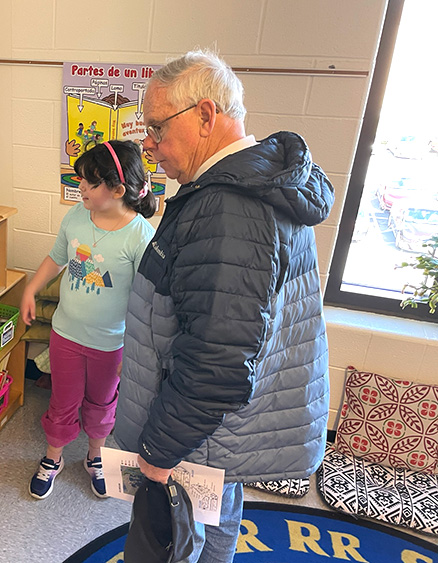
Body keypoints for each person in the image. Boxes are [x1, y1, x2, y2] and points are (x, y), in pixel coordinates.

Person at [113, 49, 334, 562]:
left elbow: (219, 359)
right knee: (216, 521)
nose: (148, 144)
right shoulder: (256, 185)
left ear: (206, 116)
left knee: (181, 541)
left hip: (197, 434)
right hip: (223, 430)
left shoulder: (228, 210)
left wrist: (158, 450)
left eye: (157, 128)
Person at [21, 140, 157, 500]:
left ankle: (95, 457)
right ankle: (54, 458)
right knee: (62, 401)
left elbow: (146, 300)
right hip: (65, 335)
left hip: (111, 344)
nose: (80, 186)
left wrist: (136, 349)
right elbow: (57, 257)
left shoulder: (141, 235)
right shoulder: (76, 216)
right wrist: (30, 290)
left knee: (101, 402)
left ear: (118, 190)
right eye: (80, 178)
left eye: (90, 182)